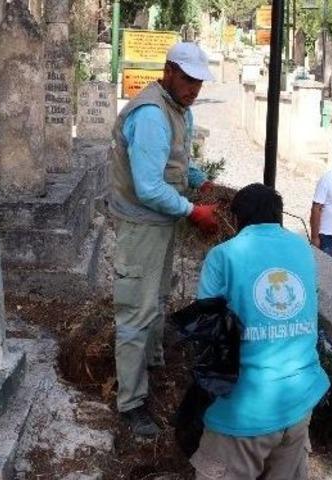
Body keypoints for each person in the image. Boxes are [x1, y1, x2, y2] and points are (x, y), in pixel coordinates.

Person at [109, 42, 218, 438]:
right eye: (188, 79)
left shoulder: (177, 110)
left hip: (160, 225)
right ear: (169, 70)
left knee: (155, 300)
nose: (194, 89)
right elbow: (149, 186)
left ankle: (151, 366)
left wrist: (198, 179)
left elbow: (175, 161)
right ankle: (131, 405)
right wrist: (193, 211)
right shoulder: (153, 113)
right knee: (136, 311)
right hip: (142, 226)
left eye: (199, 82)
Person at [190, 183, 330, 480]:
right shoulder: (302, 249)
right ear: (278, 216)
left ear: (237, 219)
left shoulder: (223, 256)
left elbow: (207, 330)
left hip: (244, 411)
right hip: (299, 400)